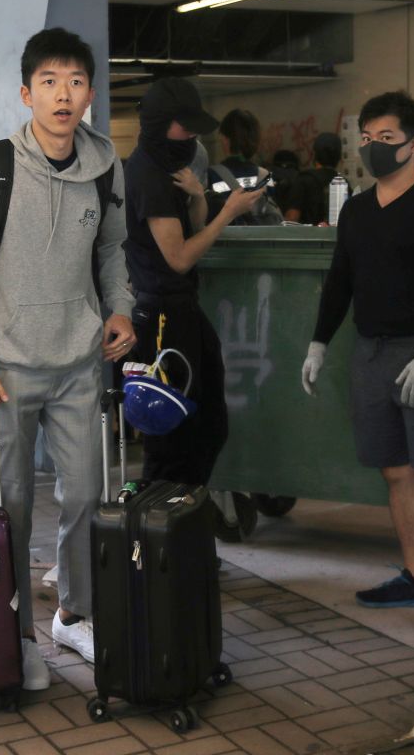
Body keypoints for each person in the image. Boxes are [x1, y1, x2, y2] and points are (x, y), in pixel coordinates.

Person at [0, 27, 135, 691]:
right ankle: (15, 628)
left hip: (81, 360)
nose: (63, 94)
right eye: (49, 82)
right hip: (7, 368)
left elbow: (111, 252)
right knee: (12, 506)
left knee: (87, 494)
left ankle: (74, 614)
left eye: (76, 82)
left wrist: (121, 307)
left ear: (89, 95)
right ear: (27, 94)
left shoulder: (107, 167)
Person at [300, 91, 414, 640]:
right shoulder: (354, 209)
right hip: (371, 351)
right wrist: (319, 342)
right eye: (368, 139)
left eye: (387, 139)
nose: (374, 148)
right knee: (396, 470)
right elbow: (340, 282)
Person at [122, 77, 266, 542]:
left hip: (181, 311)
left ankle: (177, 530)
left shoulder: (166, 168)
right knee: (174, 436)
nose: (193, 139)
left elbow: (189, 229)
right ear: (164, 126)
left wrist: (201, 197)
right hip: (163, 318)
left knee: (205, 425)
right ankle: (159, 539)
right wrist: (229, 212)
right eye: (187, 129)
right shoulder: (146, 175)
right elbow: (180, 256)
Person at [206, 108, 280, 226]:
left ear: (226, 140)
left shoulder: (211, 175)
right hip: (260, 241)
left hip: (224, 241)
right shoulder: (266, 176)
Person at [282, 132, 347, 225]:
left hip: (308, 238)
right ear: (339, 157)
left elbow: (291, 219)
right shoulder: (344, 183)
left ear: (315, 154)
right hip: (335, 238)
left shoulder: (303, 180)